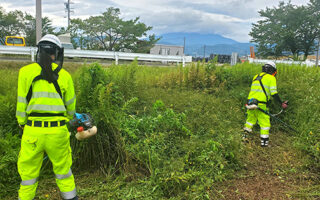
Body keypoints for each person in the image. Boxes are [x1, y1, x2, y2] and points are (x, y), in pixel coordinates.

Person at [16, 34, 78, 200]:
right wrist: (67, 121)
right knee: (64, 172)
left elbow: (21, 104)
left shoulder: (25, 73)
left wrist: (22, 124)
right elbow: (71, 108)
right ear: (56, 54)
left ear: (39, 50)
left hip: (32, 132)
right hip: (58, 132)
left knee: (28, 176)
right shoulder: (64, 75)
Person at [243, 61, 288, 147]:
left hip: (250, 103)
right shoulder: (271, 78)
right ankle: (264, 144)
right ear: (272, 70)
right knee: (265, 124)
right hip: (261, 104)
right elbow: (274, 93)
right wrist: (281, 103)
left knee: (249, 121)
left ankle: (244, 139)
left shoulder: (256, 76)